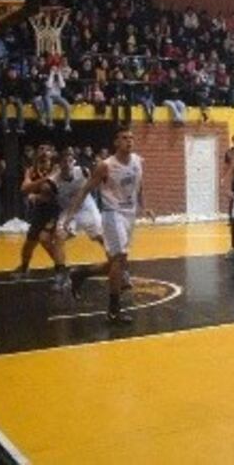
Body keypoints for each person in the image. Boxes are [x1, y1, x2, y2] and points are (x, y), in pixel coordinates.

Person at [65, 128, 149, 324]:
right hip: (112, 215)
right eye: (124, 138)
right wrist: (71, 214)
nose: (129, 141)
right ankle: (113, 311)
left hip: (129, 216)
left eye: (131, 138)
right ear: (116, 142)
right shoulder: (106, 166)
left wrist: (144, 207)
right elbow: (85, 189)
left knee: (115, 263)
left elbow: (140, 185)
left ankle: (81, 274)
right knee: (119, 260)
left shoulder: (137, 161)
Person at [12, 151, 69, 290]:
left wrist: (35, 194)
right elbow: (24, 189)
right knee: (29, 244)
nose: (44, 154)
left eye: (47, 153)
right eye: (41, 150)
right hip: (40, 212)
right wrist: (32, 186)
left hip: (55, 211)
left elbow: (49, 193)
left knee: (46, 239)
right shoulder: (33, 170)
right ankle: (25, 268)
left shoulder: (57, 171)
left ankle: (62, 272)